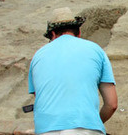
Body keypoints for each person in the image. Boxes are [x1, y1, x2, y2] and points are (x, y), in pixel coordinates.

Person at [28, 7, 118, 135]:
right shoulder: (96, 50)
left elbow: (40, 99)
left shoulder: (37, 56)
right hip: (86, 129)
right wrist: (94, 123)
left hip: (46, 130)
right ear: (79, 32)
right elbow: (112, 104)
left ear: (52, 34)